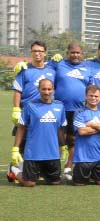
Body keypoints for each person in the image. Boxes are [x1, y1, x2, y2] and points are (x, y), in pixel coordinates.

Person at [9, 41, 56, 182]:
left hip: (44, 111)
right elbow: (18, 90)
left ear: (45, 53)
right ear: (31, 52)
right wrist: (16, 109)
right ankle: (14, 169)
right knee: (23, 141)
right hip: (27, 111)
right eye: (35, 51)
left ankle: (34, 170)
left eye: (40, 50)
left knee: (38, 141)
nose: (38, 53)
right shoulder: (24, 70)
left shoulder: (52, 70)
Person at [9, 79, 66, 187]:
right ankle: (14, 170)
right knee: (29, 183)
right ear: (38, 89)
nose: (47, 92)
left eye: (49, 89)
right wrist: (15, 148)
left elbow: (60, 129)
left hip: (52, 153)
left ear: (53, 89)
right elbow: (21, 127)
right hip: (33, 153)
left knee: (55, 182)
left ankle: (41, 172)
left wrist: (64, 146)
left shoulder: (60, 106)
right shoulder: (30, 106)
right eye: (43, 89)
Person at [51, 43, 92, 181]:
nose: (75, 55)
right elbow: (42, 68)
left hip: (78, 110)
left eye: (78, 53)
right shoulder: (59, 64)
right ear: (67, 53)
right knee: (58, 138)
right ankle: (55, 167)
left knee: (73, 139)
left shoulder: (87, 68)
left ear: (82, 54)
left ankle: (69, 167)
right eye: (72, 52)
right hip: (59, 108)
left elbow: (91, 89)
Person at [72, 85, 100, 185]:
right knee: (79, 184)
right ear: (86, 96)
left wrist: (93, 124)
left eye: (96, 96)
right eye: (91, 95)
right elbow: (82, 131)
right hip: (83, 157)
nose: (93, 98)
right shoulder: (79, 112)